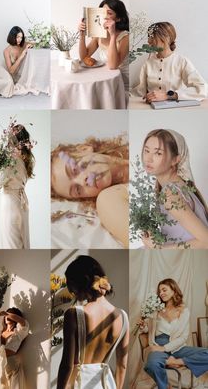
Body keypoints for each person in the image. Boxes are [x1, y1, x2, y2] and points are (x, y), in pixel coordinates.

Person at [57, 255, 129, 389]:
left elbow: (67, 365)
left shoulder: (73, 314)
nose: (71, 291)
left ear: (80, 282)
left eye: (70, 284)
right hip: (106, 384)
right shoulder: (123, 317)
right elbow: (122, 364)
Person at [51, 136, 129, 248]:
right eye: (77, 189)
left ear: (84, 149)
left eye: (74, 170)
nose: (83, 181)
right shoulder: (108, 200)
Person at [141, 129, 208, 249]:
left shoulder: (170, 194)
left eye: (158, 153)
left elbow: (206, 242)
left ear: (175, 159)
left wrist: (158, 249)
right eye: (146, 151)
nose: (148, 159)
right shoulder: (181, 186)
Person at [140, 278, 208, 389]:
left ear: (174, 290)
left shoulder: (184, 311)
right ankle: (165, 386)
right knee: (151, 365)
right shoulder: (156, 309)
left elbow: (184, 337)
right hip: (158, 345)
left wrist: (167, 350)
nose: (161, 293)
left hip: (178, 347)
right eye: (160, 291)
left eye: (164, 290)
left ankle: (178, 361)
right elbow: (149, 329)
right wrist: (143, 327)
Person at [132, 21, 207, 102]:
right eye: (149, 37)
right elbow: (139, 91)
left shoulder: (181, 61)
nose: (148, 41)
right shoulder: (148, 63)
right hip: (151, 109)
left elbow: (202, 88)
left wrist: (168, 95)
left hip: (174, 108)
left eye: (152, 36)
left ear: (166, 38)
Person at [0, 124, 35, 249]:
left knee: (11, 244)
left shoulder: (10, 161)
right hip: (21, 205)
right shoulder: (25, 160)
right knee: (21, 242)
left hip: (10, 205)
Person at [78, 0, 129, 93]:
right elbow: (84, 57)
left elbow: (113, 66)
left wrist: (113, 35)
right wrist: (81, 35)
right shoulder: (99, 34)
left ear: (118, 18)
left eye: (109, 13)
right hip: (104, 78)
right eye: (102, 12)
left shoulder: (125, 37)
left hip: (120, 81)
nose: (104, 16)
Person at [0, 307, 29, 389]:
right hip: (0, 366)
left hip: (13, 367)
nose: (7, 317)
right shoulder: (0, 333)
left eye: (10, 314)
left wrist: (3, 313)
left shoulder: (19, 332)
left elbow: (22, 321)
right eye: (6, 315)